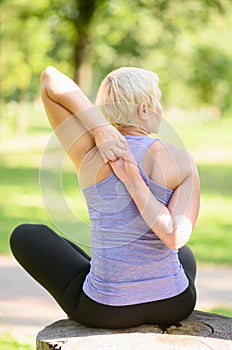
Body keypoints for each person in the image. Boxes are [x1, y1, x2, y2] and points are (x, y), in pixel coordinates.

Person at [10, 66, 200, 329]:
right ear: (144, 109)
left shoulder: (88, 152)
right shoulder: (181, 159)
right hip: (174, 304)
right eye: (158, 100)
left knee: (25, 234)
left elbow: (49, 78)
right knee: (185, 254)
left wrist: (102, 132)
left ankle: (108, 277)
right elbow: (175, 237)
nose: (161, 108)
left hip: (106, 310)